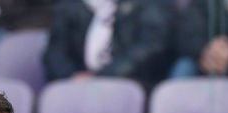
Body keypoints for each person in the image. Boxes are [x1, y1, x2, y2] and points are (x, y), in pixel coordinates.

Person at [43, 0, 177, 91]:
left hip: (132, 83)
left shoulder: (151, 4)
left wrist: (100, 77)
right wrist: (70, 77)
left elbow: (150, 47)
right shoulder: (72, 6)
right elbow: (55, 50)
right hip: (75, 84)